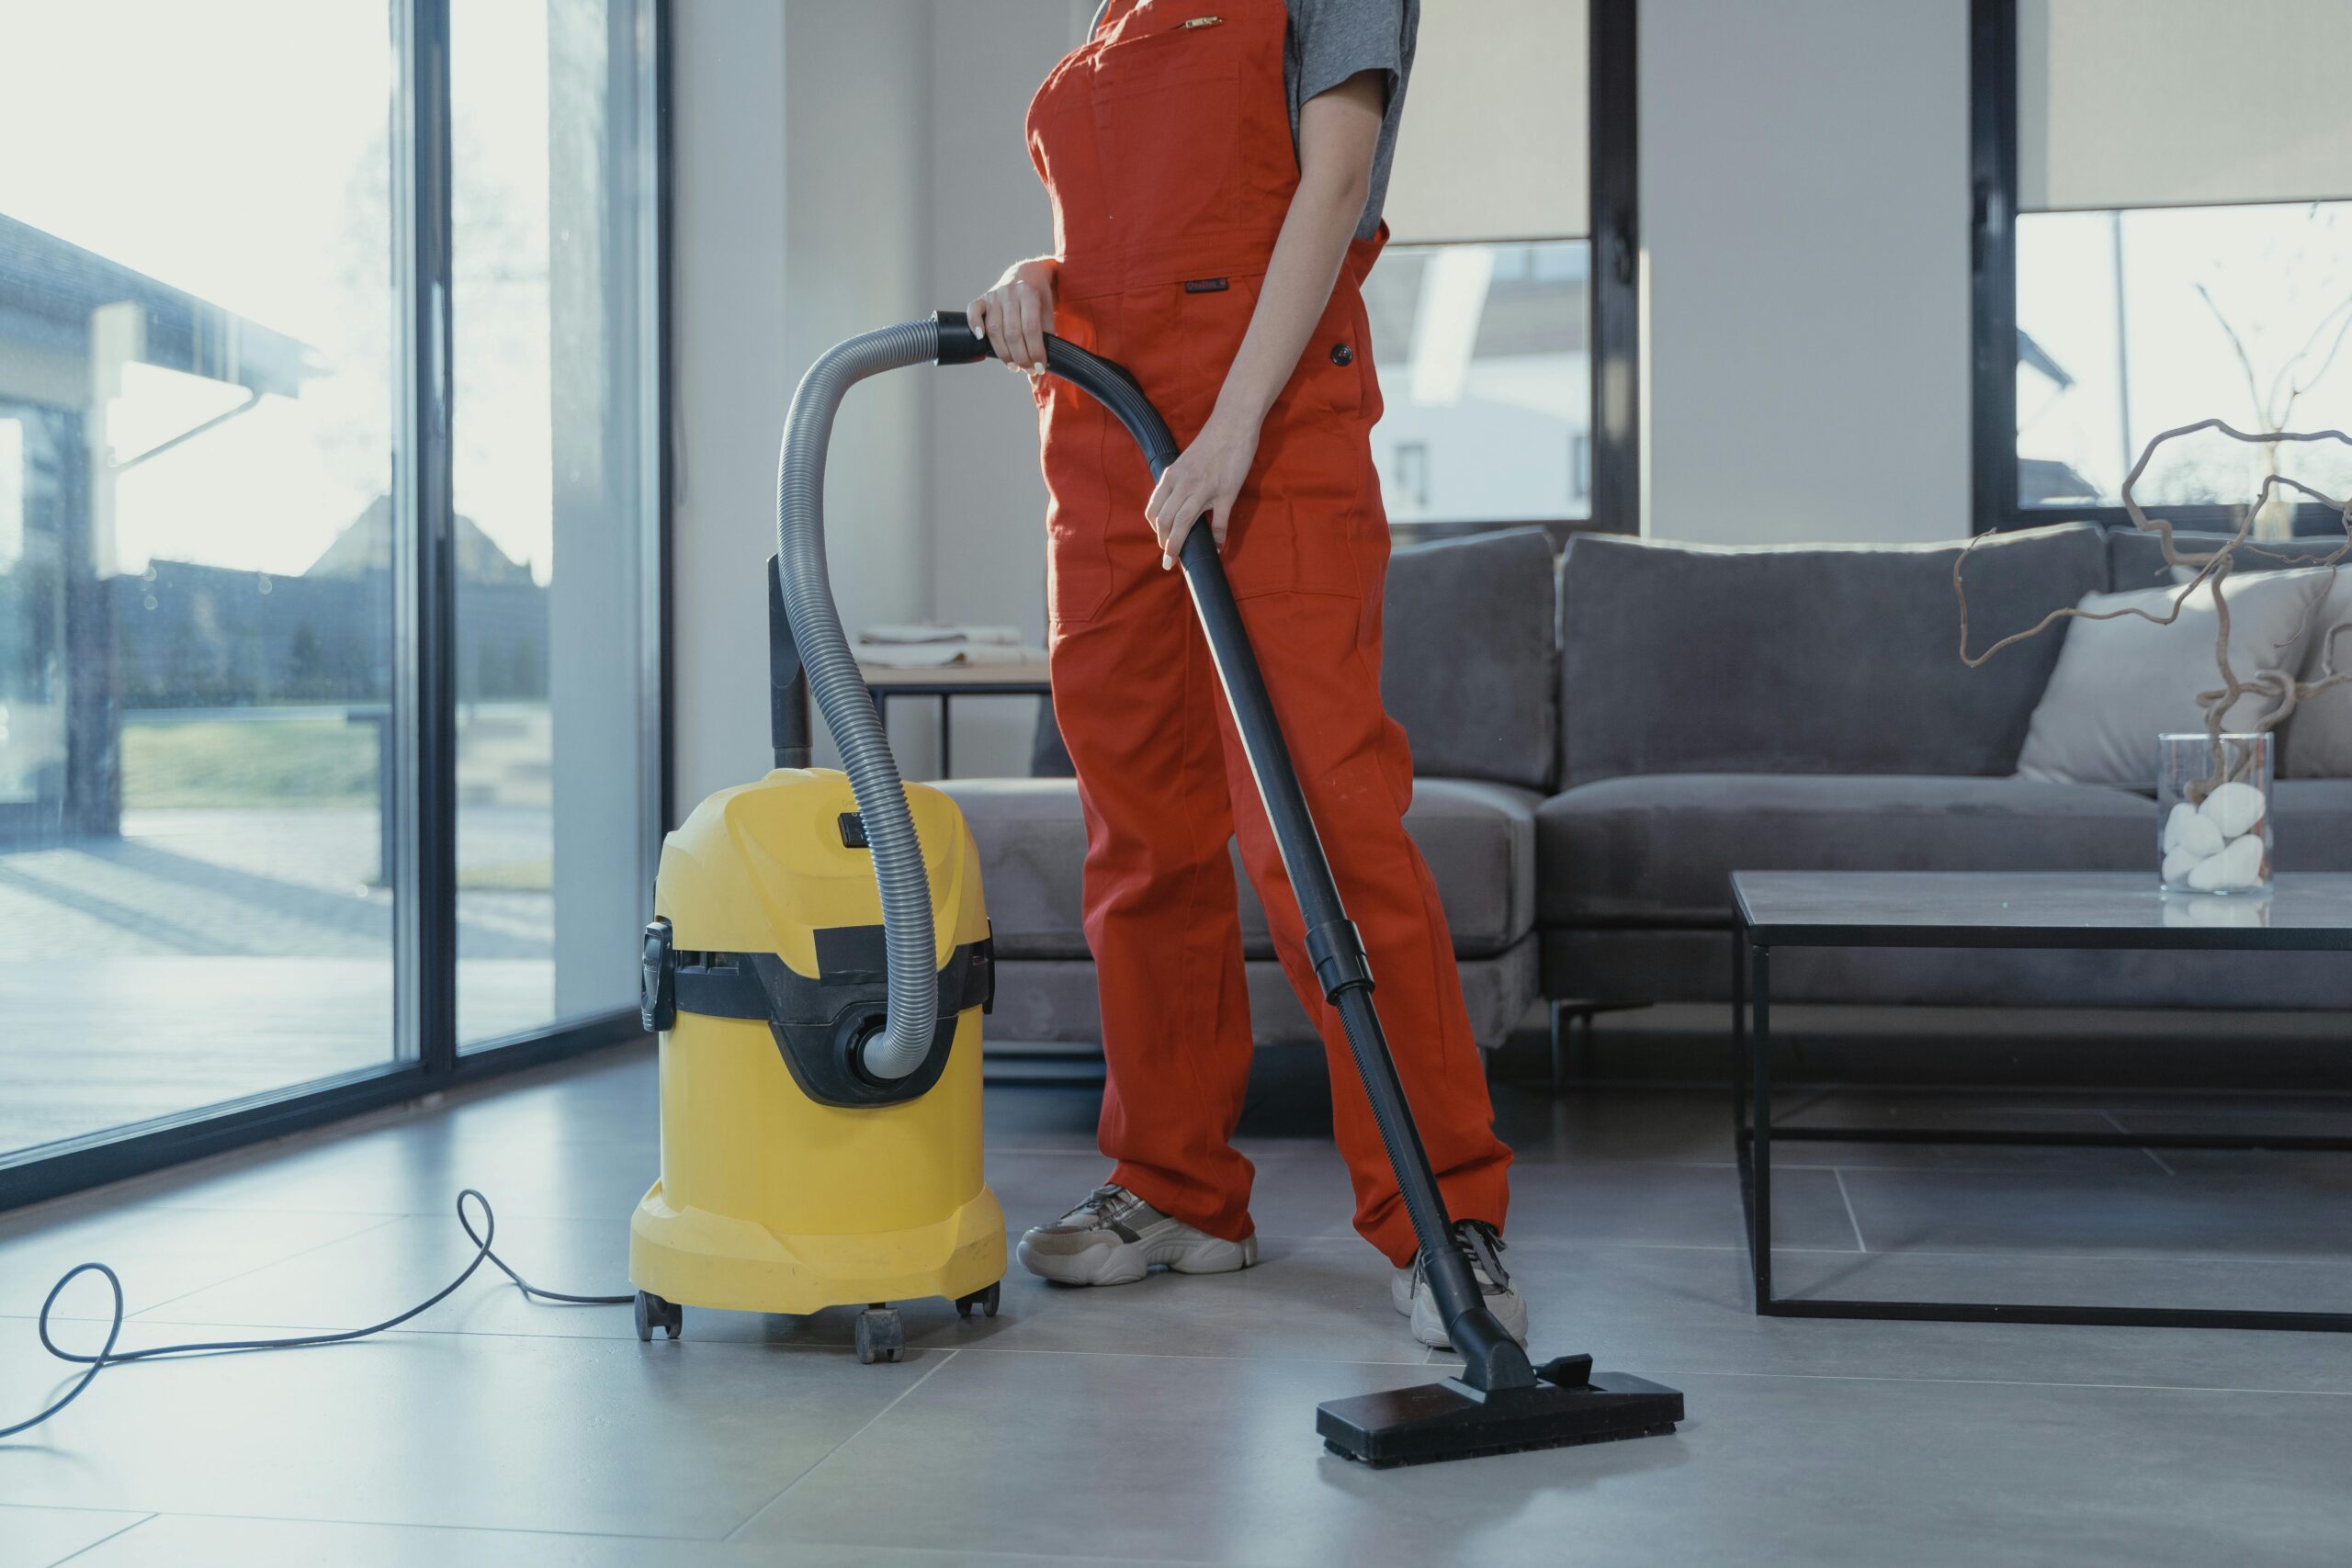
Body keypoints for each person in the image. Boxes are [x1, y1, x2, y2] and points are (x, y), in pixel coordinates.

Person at [967, 0, 1521, 1348]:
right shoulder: (1115, 16)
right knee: (1142, 844)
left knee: (1323, 834)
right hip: (1105, 452)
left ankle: (1446, 1216)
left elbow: (1333, 178)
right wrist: (1033, 284)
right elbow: (1118, 241)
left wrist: (1228, 432)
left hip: (1268, 442)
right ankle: (1179, 1194)